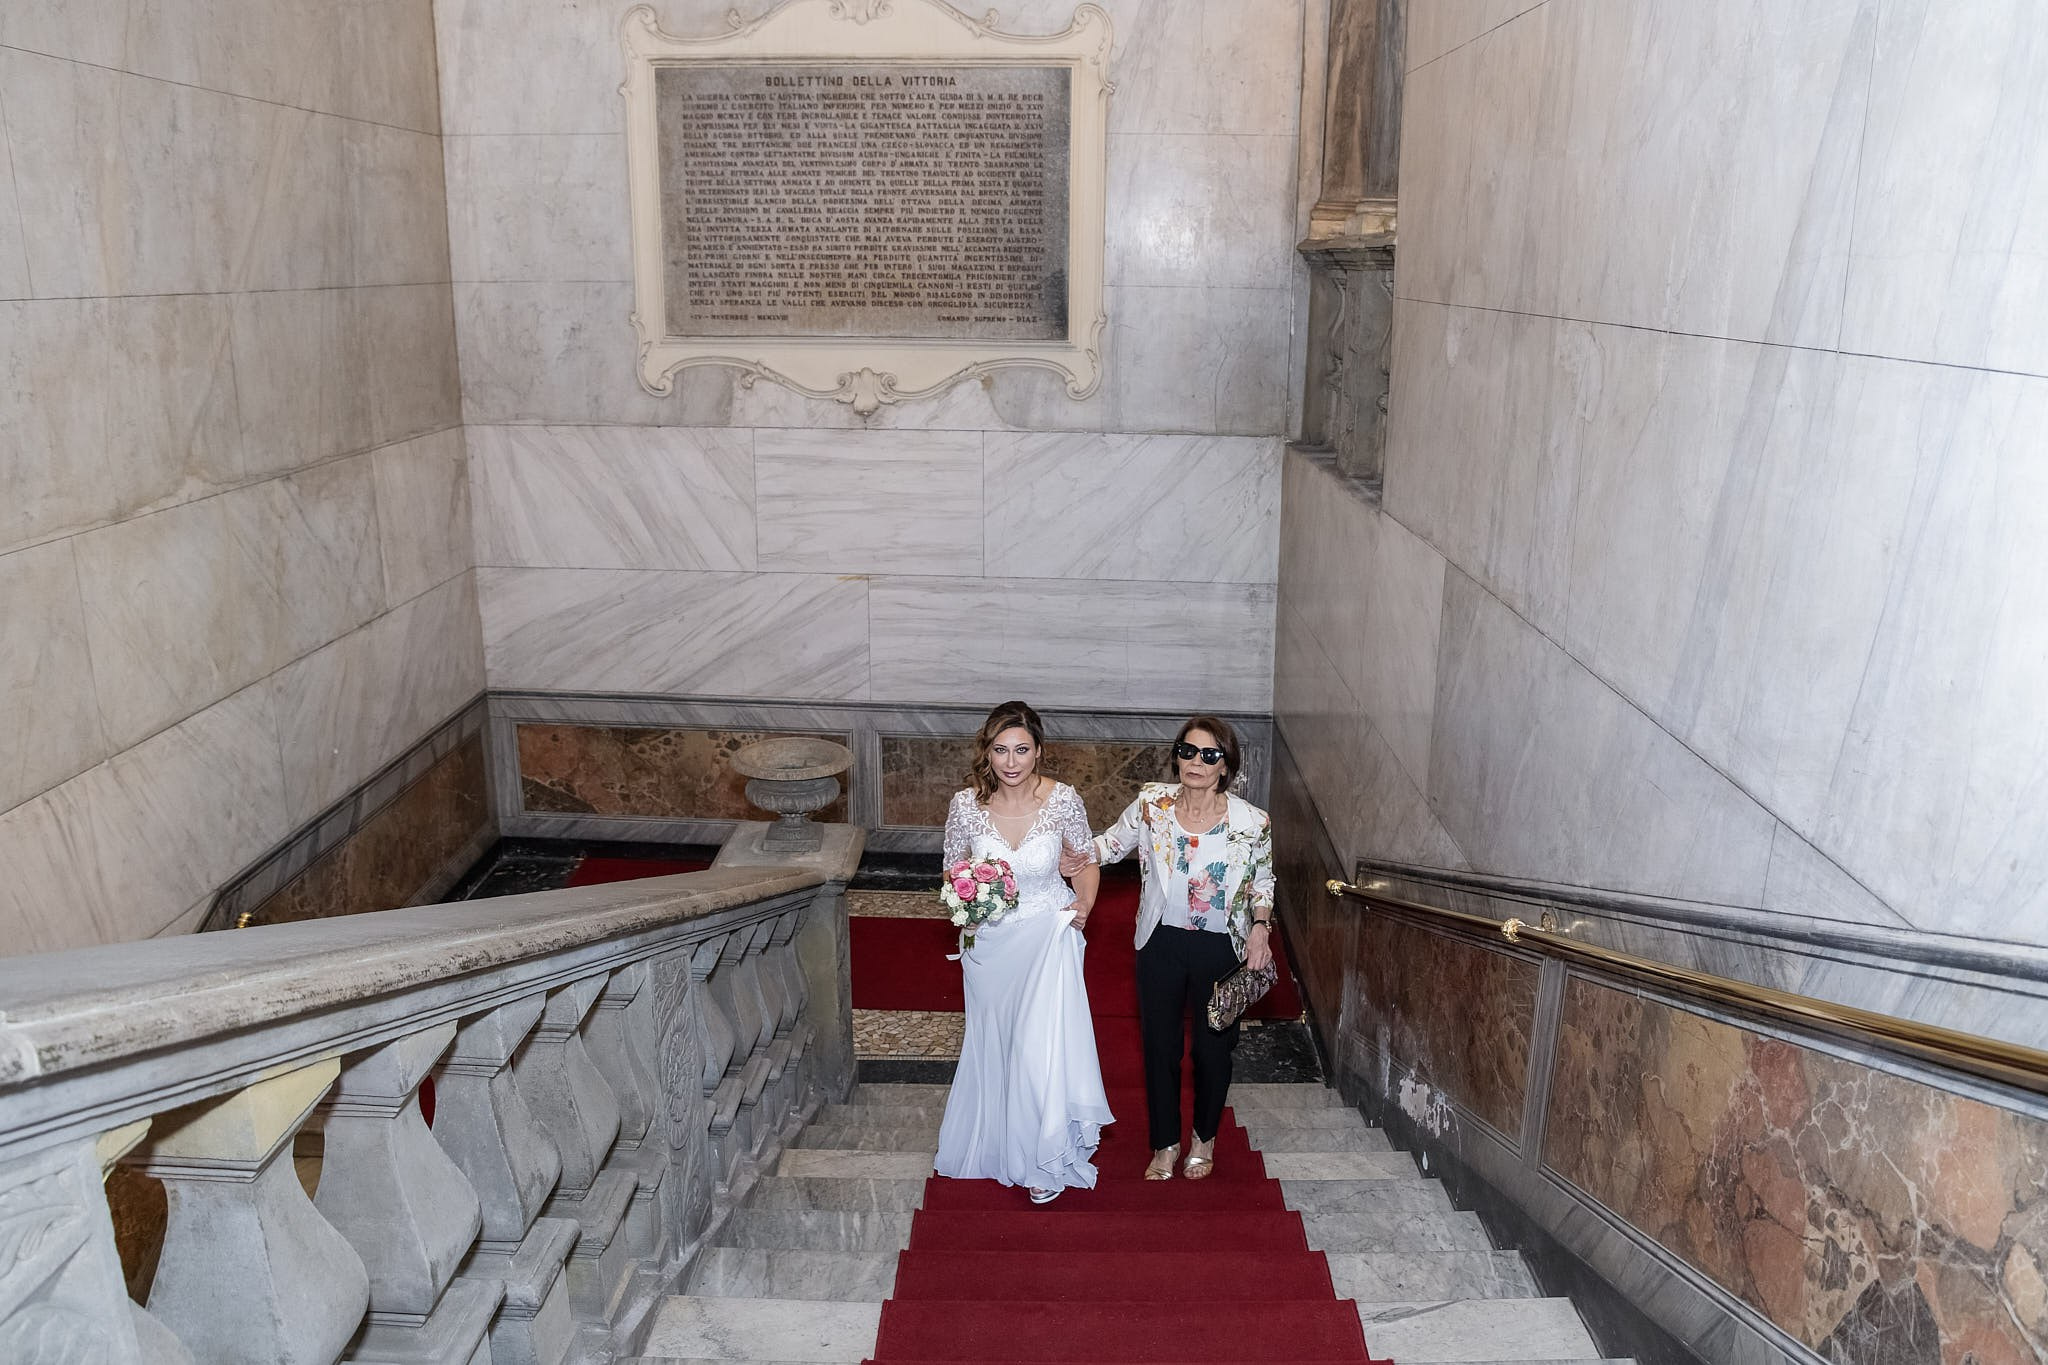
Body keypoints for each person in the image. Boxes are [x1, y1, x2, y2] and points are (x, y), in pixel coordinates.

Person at [933, 700, 1113, 1204]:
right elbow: (953, 873)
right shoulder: (965, 806)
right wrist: (967, 900)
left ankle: (1043, 1156)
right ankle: (996, 1142)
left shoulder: (1063, 801)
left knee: (1039, 1049)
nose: (1011, 762)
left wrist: (1085, 903)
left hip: (1049, 937)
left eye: (1021, 750)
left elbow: (1084, 862)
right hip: (989, 946)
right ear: (987, 753)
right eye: (1000, 750)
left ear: (1039, 752)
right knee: (1000, 1044)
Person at [1081, 716, 1275, 1180]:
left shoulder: (1253, 822)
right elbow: (1108, 845)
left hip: (1220, 948)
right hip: (1160, 942)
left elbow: (1262, 881)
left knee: (1212, 1051)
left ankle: (1204, 1139)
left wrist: (1261, 926)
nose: (1196, 762)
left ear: (1225, 766)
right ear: (1177, 755)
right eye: (1188, 751)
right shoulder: (1153, 803)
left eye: (1209, 755)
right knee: (1160, 1046)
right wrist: (1055, 851)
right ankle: (1165, 1143)